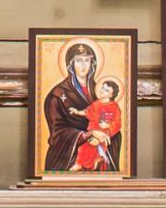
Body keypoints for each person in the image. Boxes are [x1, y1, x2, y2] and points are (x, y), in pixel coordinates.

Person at [42, 37, 121, 174]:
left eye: (87, 60)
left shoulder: (101, 92)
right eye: (79, 60)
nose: (83, 65)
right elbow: (57, 133)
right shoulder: (57, 95)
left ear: (92, 63)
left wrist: (106, 131)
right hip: (69, 155)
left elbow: (115, 122)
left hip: (100, 150)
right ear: (71, 64)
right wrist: (88, 135)